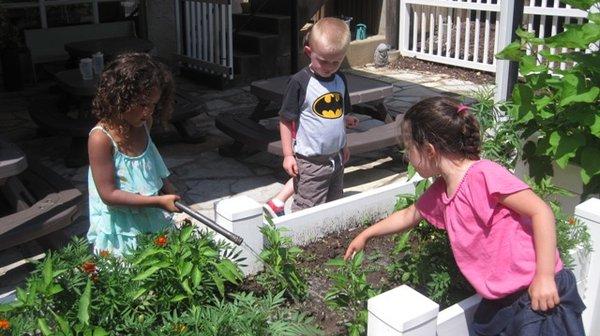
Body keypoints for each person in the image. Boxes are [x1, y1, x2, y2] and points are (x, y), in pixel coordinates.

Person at [344, 97, 586, 335]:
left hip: (536, 295)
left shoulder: (483, 175)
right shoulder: (441, 190)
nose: (407, 156)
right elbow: (410, 214)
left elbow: (540, 211)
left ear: (429, 150)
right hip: (500, 300)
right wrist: (367, 234)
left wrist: (544, 277)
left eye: (409, 149)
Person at [87, 53, 181, 256]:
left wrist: (167, 186)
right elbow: (108, 195)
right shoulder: (100, 139)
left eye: (154, 105)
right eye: (142, 104)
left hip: (149, 216)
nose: (148, 112)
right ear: (119, 97)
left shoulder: (144, 124)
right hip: (123, 226)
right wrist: (157, 202)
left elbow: (152, 161)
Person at [278, 17, 353, 213]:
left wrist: (343, 144)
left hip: (336, 158)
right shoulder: (300, 82)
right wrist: (287, 155)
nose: (329, 67)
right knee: (308, 207)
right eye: (323, 61)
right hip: (311, 161)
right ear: (309, 52)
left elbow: (338, 116)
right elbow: (286, 119)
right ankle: (299, 241)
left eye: (336, 62)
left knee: (334, 204)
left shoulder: (340, 79)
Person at [264, 115, 359, 217]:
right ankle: (279, 200)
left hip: (322, 142)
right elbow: (287, 117)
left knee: (305, 173)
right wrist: (288, 155)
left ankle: (278, 201)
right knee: (307, 172)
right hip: (307, 140)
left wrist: (344, 121)